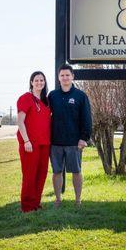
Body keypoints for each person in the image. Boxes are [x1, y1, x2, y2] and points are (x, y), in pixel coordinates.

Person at [49, 64, 92, 207]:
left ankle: (78, 200)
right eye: (62, 75)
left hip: (75, 142)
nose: (65, 78)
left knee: (76, 171)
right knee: (57, 172)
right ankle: (58, 199)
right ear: (58, 78)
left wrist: (83, 138)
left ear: (72, 76)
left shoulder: (80, 96)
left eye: (68, 75)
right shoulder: (52, 96)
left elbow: (86, 118)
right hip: (55, 142)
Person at [16, 71, 51, 212]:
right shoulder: (26, 98)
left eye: (42, 80)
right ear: (31, 82)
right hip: (30, 144)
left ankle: (36, 202)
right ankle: (27, 206)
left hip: (45, 143)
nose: (39, 82)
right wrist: (26, 141)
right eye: (36, 80)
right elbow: (20, 121)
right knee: (30, 175)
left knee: (41, 174)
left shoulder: (46, 101)